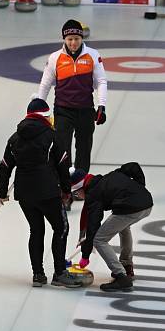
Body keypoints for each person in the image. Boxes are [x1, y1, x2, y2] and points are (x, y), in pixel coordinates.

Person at [0, 98, 81, 288]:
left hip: (24, 194)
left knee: (36, 230)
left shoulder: (14, 138)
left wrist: (2, 191)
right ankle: (59, 272)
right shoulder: (53, 136)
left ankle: (38, 274)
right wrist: (67, 191)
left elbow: (4, 167)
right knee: (61, 228)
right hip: (48, 192)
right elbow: (63, 165)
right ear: (45, 116)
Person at [37, 19, 108, 210]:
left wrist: (101, 106)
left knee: (84, 148)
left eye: (76, 38)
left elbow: (101, 81)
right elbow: (45, 84)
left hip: (86, 110)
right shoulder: (55, 58)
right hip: (63, 110)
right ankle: (65, 189)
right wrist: (38, 109)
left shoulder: (93, 55)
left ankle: (80, 186)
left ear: (81, 38)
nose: (73, 43)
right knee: (62, 150)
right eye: (69, 39)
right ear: (64, 39)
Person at [73, 162, 154, 292]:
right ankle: (127, 266)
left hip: (130, 207)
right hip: (147, 203)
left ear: (81, 188)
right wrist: (140, 188)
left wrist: (85, 255)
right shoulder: (111, 176)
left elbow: (93, 228)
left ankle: (121, 276)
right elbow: (133, 166)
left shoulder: (94, 195)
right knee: (123, 226)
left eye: (76, 194)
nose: (77, 197)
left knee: (99, 239)